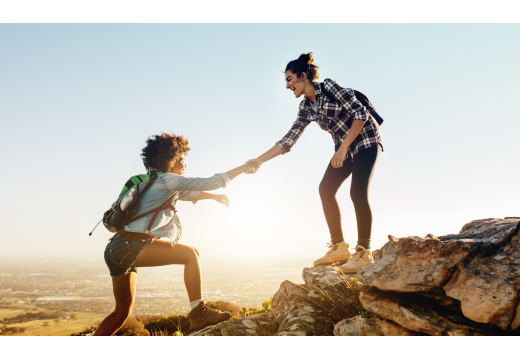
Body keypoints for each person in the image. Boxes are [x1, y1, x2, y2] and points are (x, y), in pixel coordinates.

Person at [94, 133, 254, 336]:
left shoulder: (149, 182)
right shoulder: (169, 180)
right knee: (191, 254)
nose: (185, 164)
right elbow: (210, 182)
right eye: (181, 159)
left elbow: (190, 193)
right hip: (132, 247)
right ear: (171, 160)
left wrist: (214, 197)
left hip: (115, 249)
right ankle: (198, 311)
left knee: (121, 312)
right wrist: (243, 167)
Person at [246, 53, 383, 274]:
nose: (288, 85)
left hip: (365, 139)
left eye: (289, 79)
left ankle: (364, 252)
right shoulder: (305, 108)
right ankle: (339, 247)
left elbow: (361, 114)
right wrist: (258, 160)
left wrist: (344, 147)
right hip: (344, 149)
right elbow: (288, 140)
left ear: (302, 76)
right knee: (325, 189)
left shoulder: (329, 87)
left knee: (357, 192)